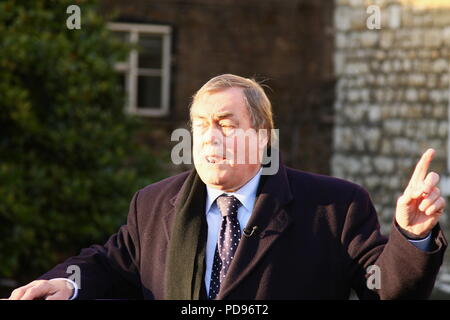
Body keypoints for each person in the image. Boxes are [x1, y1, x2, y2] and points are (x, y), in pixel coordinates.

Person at [6, 74, 447, 300]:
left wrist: (411, 237)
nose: (209, 138)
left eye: (225, 124)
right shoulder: (154, 203)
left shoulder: (335, 206)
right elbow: (111, 263)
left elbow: (386, 289)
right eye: (200, 126)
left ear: (262, 136)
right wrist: (67, 285)